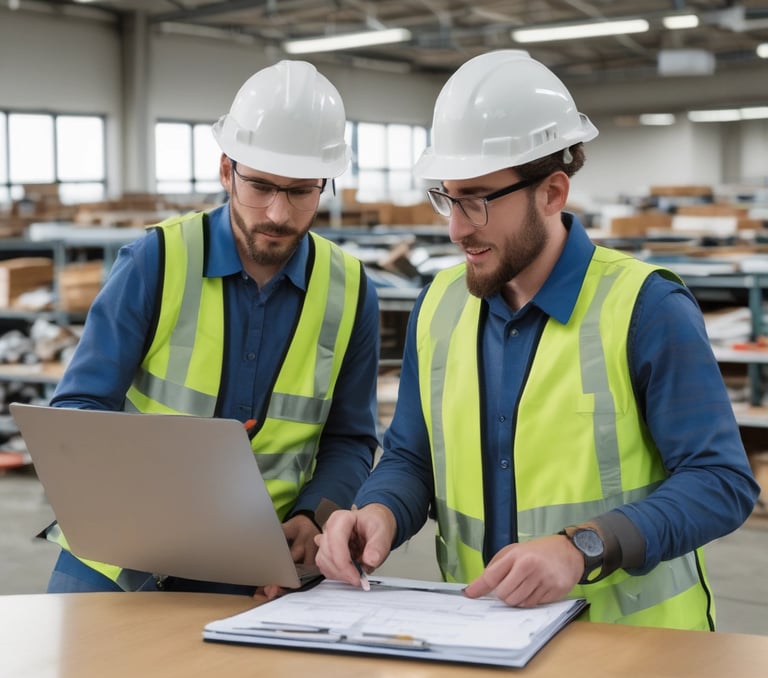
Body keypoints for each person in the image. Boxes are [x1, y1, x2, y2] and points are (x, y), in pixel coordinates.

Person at [315, 50, 761, 629]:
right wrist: (380, 510)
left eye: (477, 200)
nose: (456, 228)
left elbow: (721, 483)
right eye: (447, 197)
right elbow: (411, 456)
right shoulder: (440, 305)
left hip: (632, 651)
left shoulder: (646, 308)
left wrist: (583, 547)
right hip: (483, 638)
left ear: (552, 193)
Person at [44, 60, 380, 594]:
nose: (277, 213)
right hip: (119, 552)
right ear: (227, 170)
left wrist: (314, 515)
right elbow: (79, 411)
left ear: (325, 184)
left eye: (300, 191)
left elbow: (351, 438)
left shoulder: (351, 291)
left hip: (257, 564)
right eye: (261, 185)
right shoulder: (157, 261)